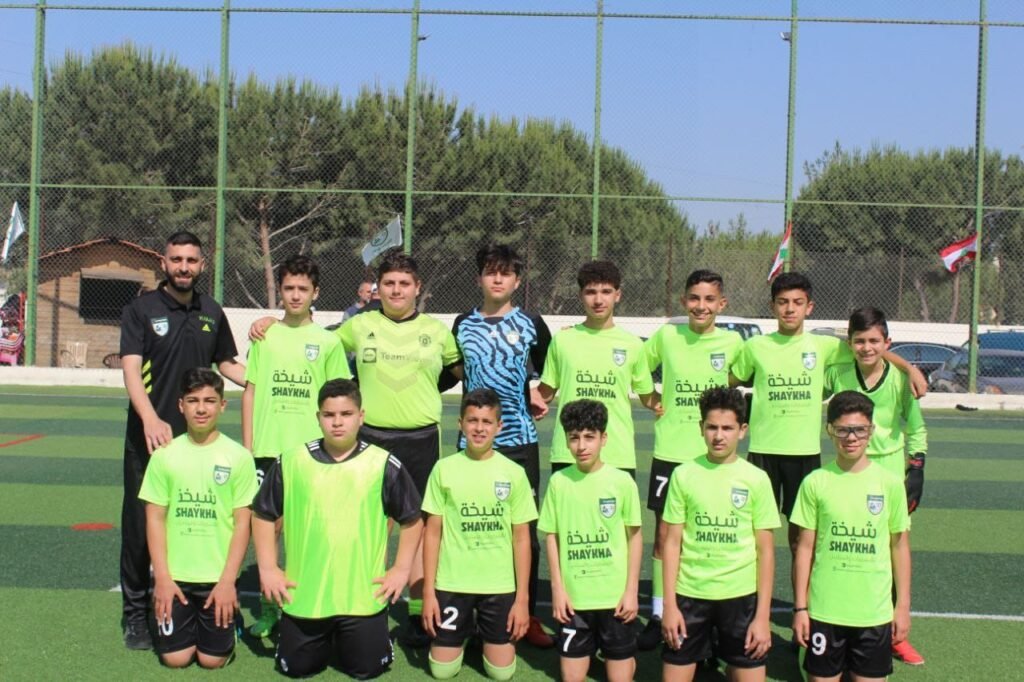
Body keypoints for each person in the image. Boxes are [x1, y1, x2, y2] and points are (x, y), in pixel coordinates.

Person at [249, 248, 462, 648]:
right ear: (377, 288)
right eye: (388, 283)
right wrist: (272, 322)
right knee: (368, 527)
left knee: (418, 525)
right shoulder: (358, 325)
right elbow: (310, 336)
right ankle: (361, 604)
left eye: (404, 283)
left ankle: (417, 614)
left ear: (417, 288)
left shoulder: (437, 330)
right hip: (372, 438)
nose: (396, 290)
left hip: (421, 438)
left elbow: (455, 370)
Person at [728, 272, 924, 588]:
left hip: (805, 454)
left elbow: (870, 345)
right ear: (772, 306)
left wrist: (910, 368)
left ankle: (803, 608)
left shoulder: (824, 346)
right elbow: (730, 380)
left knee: (802, 540)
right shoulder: (756, 347)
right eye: (783, 302)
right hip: (762, 452)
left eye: (797, 302)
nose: (790, 309)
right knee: (753, 538)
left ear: (809, 307)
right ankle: (749, 604)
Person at [119, 230, 244, 650]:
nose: (184, 267)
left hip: (200, 440)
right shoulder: (141, 310)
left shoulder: (212, 310)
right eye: (177, 260)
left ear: (202, 264)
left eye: (191, 260)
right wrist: (151, 418)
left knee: (203, 520)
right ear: (164, 262)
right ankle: (135, 615)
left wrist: (263, 379)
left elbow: (226, 363)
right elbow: (131, 369)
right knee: (140, 526)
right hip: (151, 438)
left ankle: (209, 601)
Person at [251, 379, 424, 679]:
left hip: (361, 598)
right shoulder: (291, 461)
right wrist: (267, 567)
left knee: (367, 669)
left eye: (346, 414)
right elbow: (263, 514)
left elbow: (412, 519)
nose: (337, 422)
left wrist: (401, 569)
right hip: (305, 597)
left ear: (361, 416)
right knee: (297, 669)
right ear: (318, 417)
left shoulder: (382, 463)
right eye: (329, 415)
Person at [449, 243, 553, 647]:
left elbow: (552, 367)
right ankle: (473, 615)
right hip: (472, 444)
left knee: (523, 531)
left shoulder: (531, 323)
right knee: (472, 527)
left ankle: (527, 615)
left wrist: (538, 394)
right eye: (490, 272)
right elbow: (450, 369)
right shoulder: (462, 324)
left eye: (505, 273)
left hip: (520, 442)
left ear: (516, 280)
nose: (497, 279)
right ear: (479, 278)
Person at [241, 254, 350, 639]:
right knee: (267, 532)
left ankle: (312, 606)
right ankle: (271, 609)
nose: (295, 295)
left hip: (312, 454)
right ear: (280, 291)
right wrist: (249, 448)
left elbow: (339, 401)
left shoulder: (328, 342)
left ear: (315, 293)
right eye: (289, 288)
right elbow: (250, 393)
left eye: (303, 289)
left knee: (313, 533)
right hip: (269, 451)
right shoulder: (265, 337)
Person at [638, 269, 744, 649]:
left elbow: (746, 375)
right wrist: (650, 398)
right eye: (694, 298)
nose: (701, 306)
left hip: (713, 457)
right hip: (671, 452)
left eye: (709, 299)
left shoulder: (733, 342)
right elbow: (637, 364)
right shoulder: (668, 336)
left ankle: (707, 615)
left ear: (721, 303)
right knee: (664, 536)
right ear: (684, 301)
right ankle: (658, 612)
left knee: (706, 537)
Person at [824, 307, 927, 666]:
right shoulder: (838, 372)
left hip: (888, 473)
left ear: (887, 342)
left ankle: (897, 635)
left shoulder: (899, 380)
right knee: (842, 544)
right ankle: (824, 625)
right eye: (859, 341)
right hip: (845, 470)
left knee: (892, 548)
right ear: (850, 343)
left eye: (873, 341)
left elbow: (916, 426)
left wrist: (917, 467)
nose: (866, 348)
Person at [139, 368, 258, 669]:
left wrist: (228, 581)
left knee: (211, 661)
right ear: (181, 405)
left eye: (209, 400)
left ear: (223, 405)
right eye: (193, 401)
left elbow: (242, 524)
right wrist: (162, 578)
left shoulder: (239, 457)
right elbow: (154, 519)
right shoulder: (164, 455)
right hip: (175, 578)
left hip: (217, 579)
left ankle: (231, 622)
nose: (201, 409)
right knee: (175, 659)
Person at [791, 391, 912, 682]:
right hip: (824, 611)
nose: (851, 438)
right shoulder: (815, 482)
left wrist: (902, 606)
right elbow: (804, 549)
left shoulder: (891, 484)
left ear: (871, 431)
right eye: (842, 430)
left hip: (874, 614)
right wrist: (800, 608)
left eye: (859, 429)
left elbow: (899, 547)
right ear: (830, 430)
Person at [660, 387, 778, 682]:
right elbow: (671, 544)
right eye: (712, 427)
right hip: (691, 595)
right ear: (701, 427)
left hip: (740, 598)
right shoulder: (683, 475)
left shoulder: (756, 479)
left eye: (727, 428)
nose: (719, 436)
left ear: (743, 430)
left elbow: (765, 551)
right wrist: (669, 606)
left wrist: (762, 617)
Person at [421, 388, 537, 680]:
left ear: (499, 426)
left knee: (501, 673)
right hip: (452, 583)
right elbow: (432, 534)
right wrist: (429, 593)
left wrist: (522, 599)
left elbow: (522, 539)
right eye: (472, 420)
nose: (479, 428)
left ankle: (479, 633)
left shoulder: (514, 473)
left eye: (487, 422)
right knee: (442, 671)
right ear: (460, 424)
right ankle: (464, 633)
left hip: (498, 585)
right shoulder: (443, 469)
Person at [538, 400, 642, 682]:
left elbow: (634, 538)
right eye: (574, 438)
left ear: (603, 438)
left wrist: (631, 591)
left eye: (589, 437)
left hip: (614, 599)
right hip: (575, 600)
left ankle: (621, 657)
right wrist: (558, 590)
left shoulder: (622, 482)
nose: (581, 446)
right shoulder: (559, 482)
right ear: (566, 440)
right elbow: (552, 537)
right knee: (572, 678)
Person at [535, 260, 658, 476]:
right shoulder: (563, 340)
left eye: (606, 292)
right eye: (591, 292)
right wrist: (515, 394)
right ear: (581, 295)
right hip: (569, 453)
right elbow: (544, 393)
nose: (599, 300)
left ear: (617, 295)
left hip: (616, 454)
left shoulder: (633, 344)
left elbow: (650, 399)